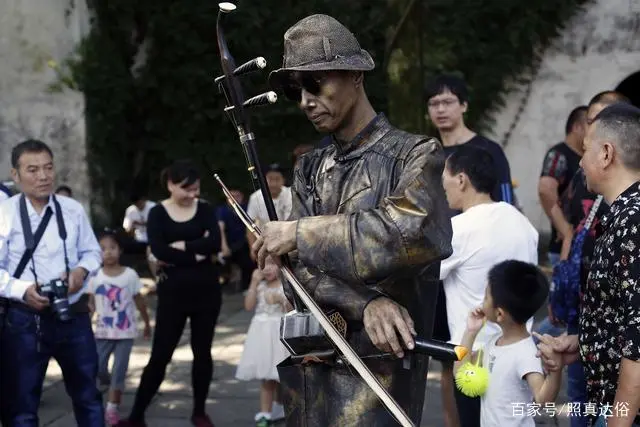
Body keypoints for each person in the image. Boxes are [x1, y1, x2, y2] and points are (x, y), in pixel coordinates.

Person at [255, 14, 453, 426]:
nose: (306, 99)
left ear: (355, 75)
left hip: (381, 372)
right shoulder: (309, 167)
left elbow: (410, 232)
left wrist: (298, 233)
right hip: (311, 363)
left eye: (316, 83)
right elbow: (300, 271)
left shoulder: (416, 154)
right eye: (296, 89)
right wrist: (367, 303)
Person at [537, 103, 640, 427]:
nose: (580, 162)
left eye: (585, 151)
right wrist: (585, 342)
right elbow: (623, 317)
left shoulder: (633, 223)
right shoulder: (620, 215)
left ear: (607, 153)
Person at [0, 139, 103, 425]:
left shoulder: (71, 209)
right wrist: (22, 290)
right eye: (32, 170)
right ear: (15, 175)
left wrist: (80, 272)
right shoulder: (4, 214)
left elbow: (92, 251)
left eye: (48, 168)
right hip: (24, 320)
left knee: (89, 397)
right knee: (21, 406)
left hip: (73, 315)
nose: (43, 176)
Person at [440, 145, 539, 427]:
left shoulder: (458, 231)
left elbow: (420, 273)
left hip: (475, 361)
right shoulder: (523, 224)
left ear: (461, 179)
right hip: (520, 354)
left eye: (444, 176)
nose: (442, 184)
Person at [118, 159, 222, 427]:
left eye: (195, 189)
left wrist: (182, 247)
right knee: (160, 354)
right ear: (170, 185)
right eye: (186, 189)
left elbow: (213, 244)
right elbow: (159, 250)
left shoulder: (206, 209)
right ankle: (137, 415)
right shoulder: (158, 214)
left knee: (203, 352)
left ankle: (200, 411)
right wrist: (196, 253)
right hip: (172, 294)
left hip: (206, 292)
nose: (192, 195)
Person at [456, 260, 562, 426]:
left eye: (486, 297)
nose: (482, 302)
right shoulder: (494, 343)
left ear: (499, 314)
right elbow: (461, 373)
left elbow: (542, 400)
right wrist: (470, 332)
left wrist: (555, 371)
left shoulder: (525, 353)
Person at [88, 230, 151, 425]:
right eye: (103, 249)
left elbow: (139, 300)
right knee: (98, 368)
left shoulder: (130, 275)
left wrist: (147, 323)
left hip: (125, 332)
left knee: (119, 371)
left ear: (120, 250)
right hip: (103, 332)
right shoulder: (94, 276)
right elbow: (90, 304)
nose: (108, 252)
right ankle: (107, 382)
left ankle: (112, 407)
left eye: (112, 248)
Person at [235, 257, 291, 427]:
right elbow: (248, 306)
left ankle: (280, 407)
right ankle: (265, 414)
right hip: (262, 338)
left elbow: (290, 310)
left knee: (283, 377)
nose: (267, 269)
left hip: (279, 337)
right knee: (267, 378)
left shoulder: (285, 287)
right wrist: (252, 283)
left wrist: (282, 300)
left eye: (272, 264)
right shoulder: (260, 286)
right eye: (263, 265)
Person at [245, 163, 292, 256]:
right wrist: (252, 248)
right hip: (264, 242)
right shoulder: (255, 197)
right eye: (270, 179)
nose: (274, 183)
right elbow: (250, 226)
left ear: (283, 180)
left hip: (287, 241)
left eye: (277, 179)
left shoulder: (291, 194)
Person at [122, 193, 157, 277]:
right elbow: (127, 228)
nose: (139, 206)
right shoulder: (130, 210)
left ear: (144, 200)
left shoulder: (153, 207)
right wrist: (131, 227)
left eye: (140, 203)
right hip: (138, 239)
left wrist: (144, 223)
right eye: (136, 204)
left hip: (153, 238)